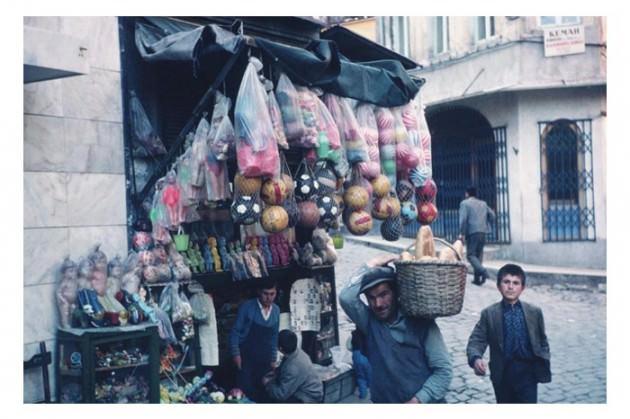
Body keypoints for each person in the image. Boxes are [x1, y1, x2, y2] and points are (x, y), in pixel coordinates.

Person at [339, 254, 453, 403]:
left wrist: (418, 400)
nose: (378, 304)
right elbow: (346, 297)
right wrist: (371, 263)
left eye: (383, 294)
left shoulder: (421, 322)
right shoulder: (369, 322)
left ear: (396, 293)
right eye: (371, 298)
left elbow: (443, 372)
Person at [466, 264, 551, 403]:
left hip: (528, 373)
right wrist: (475, 358)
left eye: (516, 283)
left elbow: (542, 340)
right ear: (499, 286)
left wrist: (543, 357)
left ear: (522, 288)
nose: (510, 287)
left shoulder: (534, 312)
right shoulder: (489, 314)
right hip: (503, 373)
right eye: (506, 282)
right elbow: (477, 339)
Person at [229, 282, 280, 402]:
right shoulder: (247, 307)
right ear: (259, 292)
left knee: (264, 392)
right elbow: (235, 332)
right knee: (246, 391)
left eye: (272, 294)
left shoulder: (276, 310)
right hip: (246, 358)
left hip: (265, 359)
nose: (269, 297)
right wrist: (236, 354)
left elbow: (274, 336)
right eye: (265, 294)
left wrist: (273, 359)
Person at [262, 329, 323, 403]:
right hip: (311, 389)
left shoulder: (293, 368)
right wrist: (276, 372)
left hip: (310, 397)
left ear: (280, 348)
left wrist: (268, 383)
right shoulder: (296, 351)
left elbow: (281, 395)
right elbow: (285, 367)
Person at [458, 186, 496, 285]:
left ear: (467, 194)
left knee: (470, 255)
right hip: (483, 232)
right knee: (478, 255)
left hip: (472, 232)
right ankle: (477, 279)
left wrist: (462, 233)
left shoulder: (464, 203)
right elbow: (492, 215)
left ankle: (483, 272)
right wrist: (486, 223)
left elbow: (463, 220)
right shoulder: (483, 203)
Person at [350, 328, 371, 399]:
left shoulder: (354, 333)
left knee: (360, 377)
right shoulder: (368, 332)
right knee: (369, 374)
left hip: (356, 355)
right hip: (366, 355)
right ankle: (371, 390)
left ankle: (363, 394)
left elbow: (350, 346)